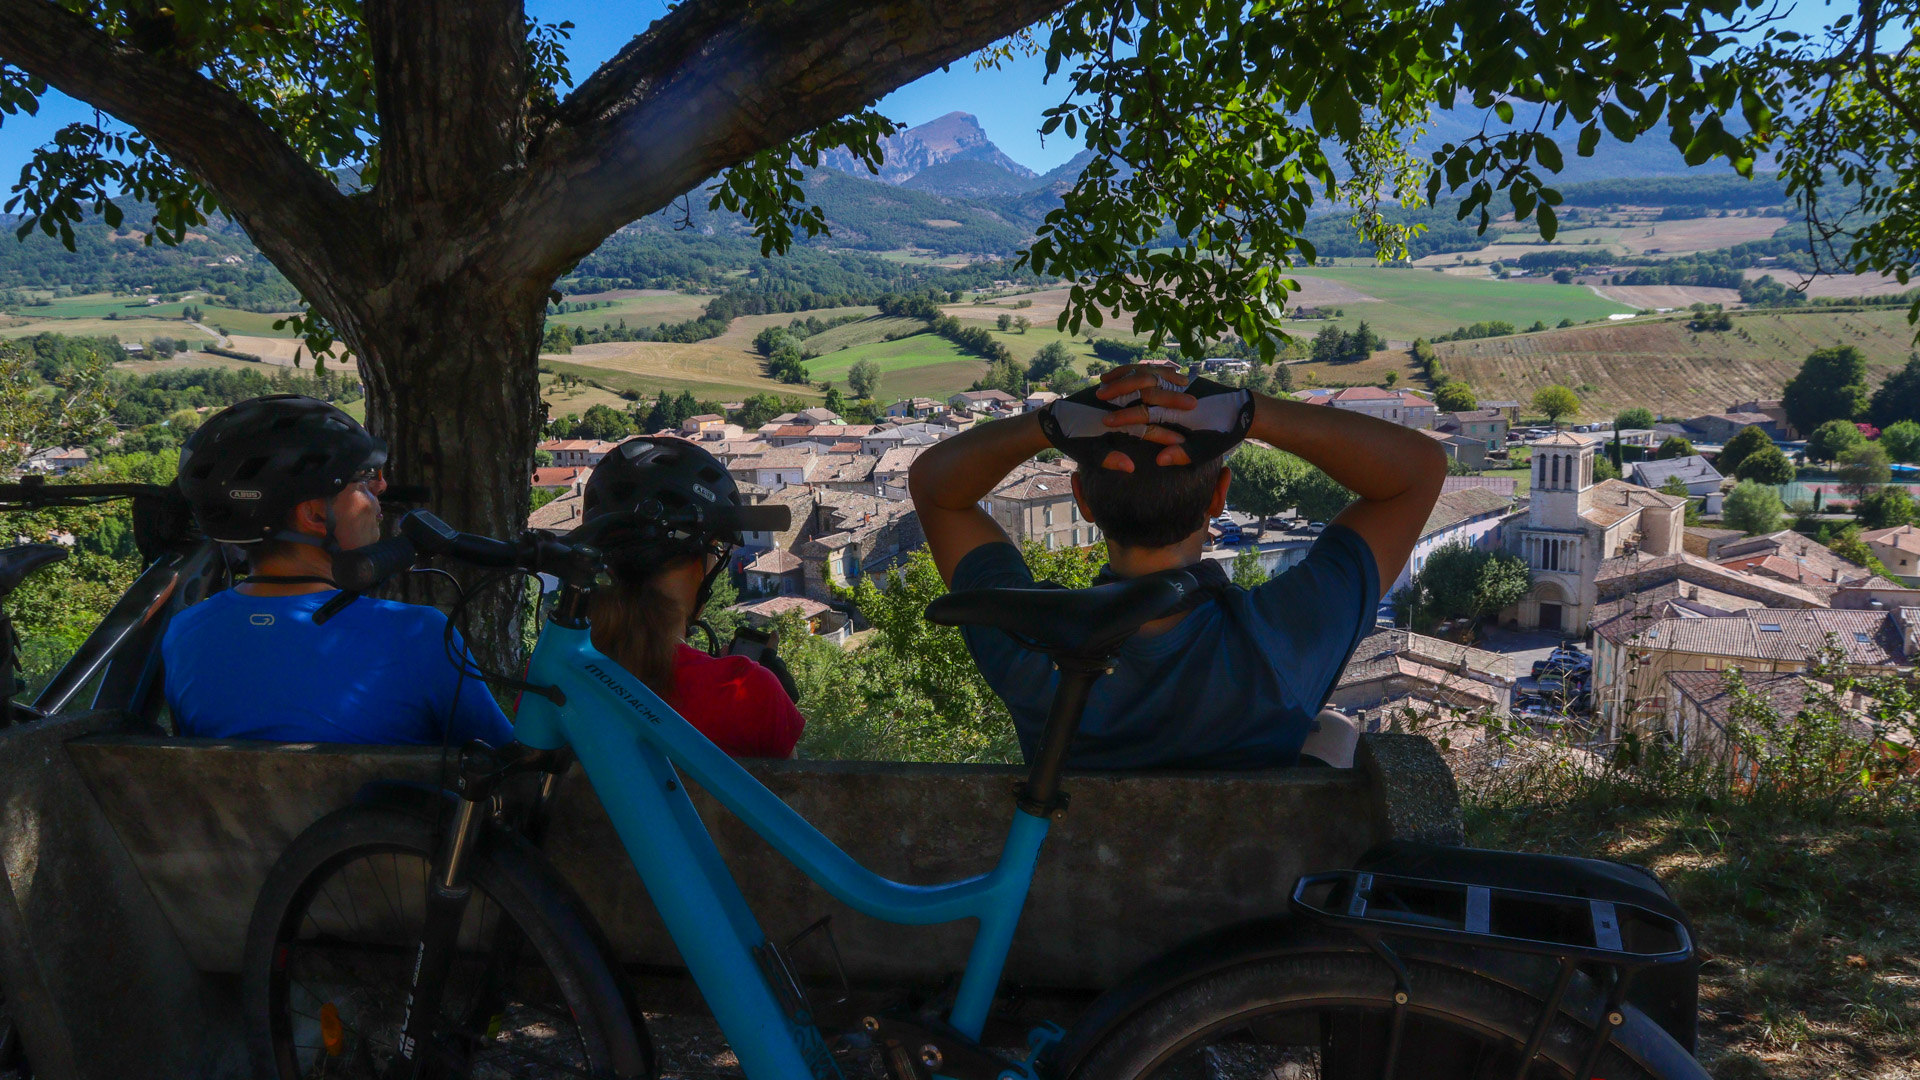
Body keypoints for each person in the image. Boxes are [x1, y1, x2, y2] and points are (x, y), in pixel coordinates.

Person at [909, 364, 1447, 770]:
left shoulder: (1029, 645)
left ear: (1082, 500)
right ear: (1220, 496)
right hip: (1241, 911)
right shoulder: (1281, 639)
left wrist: (1049, 423)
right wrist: (1248, 412)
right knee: (1332, 732)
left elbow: (937, 490)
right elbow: (1418, 470)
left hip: (1071, 907)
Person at [163, 394, 514, 747]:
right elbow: (509, 769)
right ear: (315, 515)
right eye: (362, 481)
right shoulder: (418, 636)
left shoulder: (184, 634)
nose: (382, 487)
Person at [580, 436, 805, 758]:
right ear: (706, 555)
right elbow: (796, 797)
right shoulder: (745, 692)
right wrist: (774, 703)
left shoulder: (555, 677)